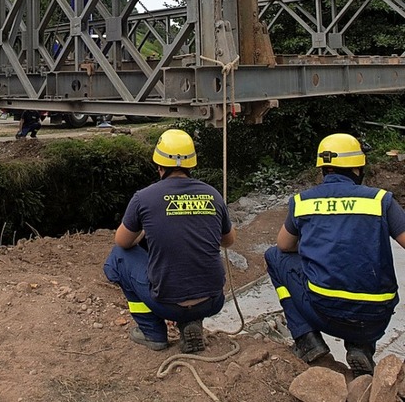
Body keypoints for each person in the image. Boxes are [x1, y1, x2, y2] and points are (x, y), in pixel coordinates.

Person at [265, 133, 405, 377]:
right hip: (376, 316)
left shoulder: (303, 202)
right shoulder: (380, 200)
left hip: (324, 311)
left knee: (274, 257)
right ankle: (361, 346)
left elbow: (283, 246)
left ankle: (306, 338)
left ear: (323, 169)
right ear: (357, 168)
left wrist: (315, 245)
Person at [104, 128, 235, 352]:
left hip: (167, 304)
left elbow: (123, 242)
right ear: (191, 165)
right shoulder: (213, 194)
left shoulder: (144, 197)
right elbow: (228, 241)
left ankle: (152, 332)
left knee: (117, 258)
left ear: (159, 166)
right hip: (212, 301)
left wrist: (148, 228)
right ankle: (191, 322)